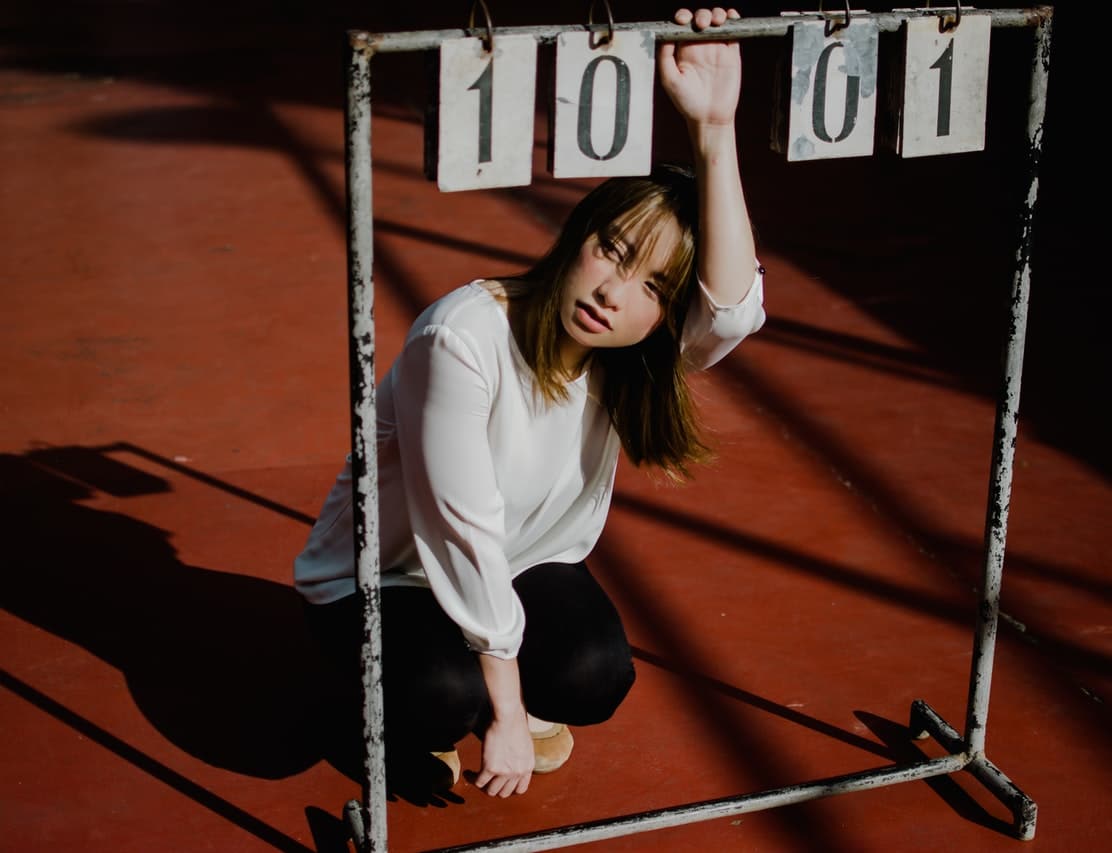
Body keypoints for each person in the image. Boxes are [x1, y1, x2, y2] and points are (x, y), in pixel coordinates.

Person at [295, 7, 764, 800]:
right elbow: (462, 530)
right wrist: (506, 711)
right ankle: (390, 710)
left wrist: (714, 130)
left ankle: (473, 685)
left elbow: (732, 311)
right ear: (577, 236)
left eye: (651, 286)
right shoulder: (463, 337)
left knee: (596, 675)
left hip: (519, 566)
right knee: (443, 694)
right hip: (384, 579)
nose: (615, 293)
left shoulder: (633, 355)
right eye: (611, 251)